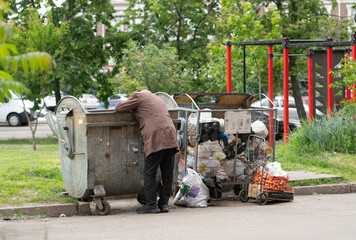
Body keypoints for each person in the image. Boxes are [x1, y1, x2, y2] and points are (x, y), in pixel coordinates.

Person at [115, 89, 179, 214]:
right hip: (170, 134)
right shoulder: (155, 98)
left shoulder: (139, 96)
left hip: (157, 136)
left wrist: (131, 105)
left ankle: (151, 205)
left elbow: (119, 108)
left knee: (149, 172)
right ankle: (164, 204)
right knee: (167, 173)